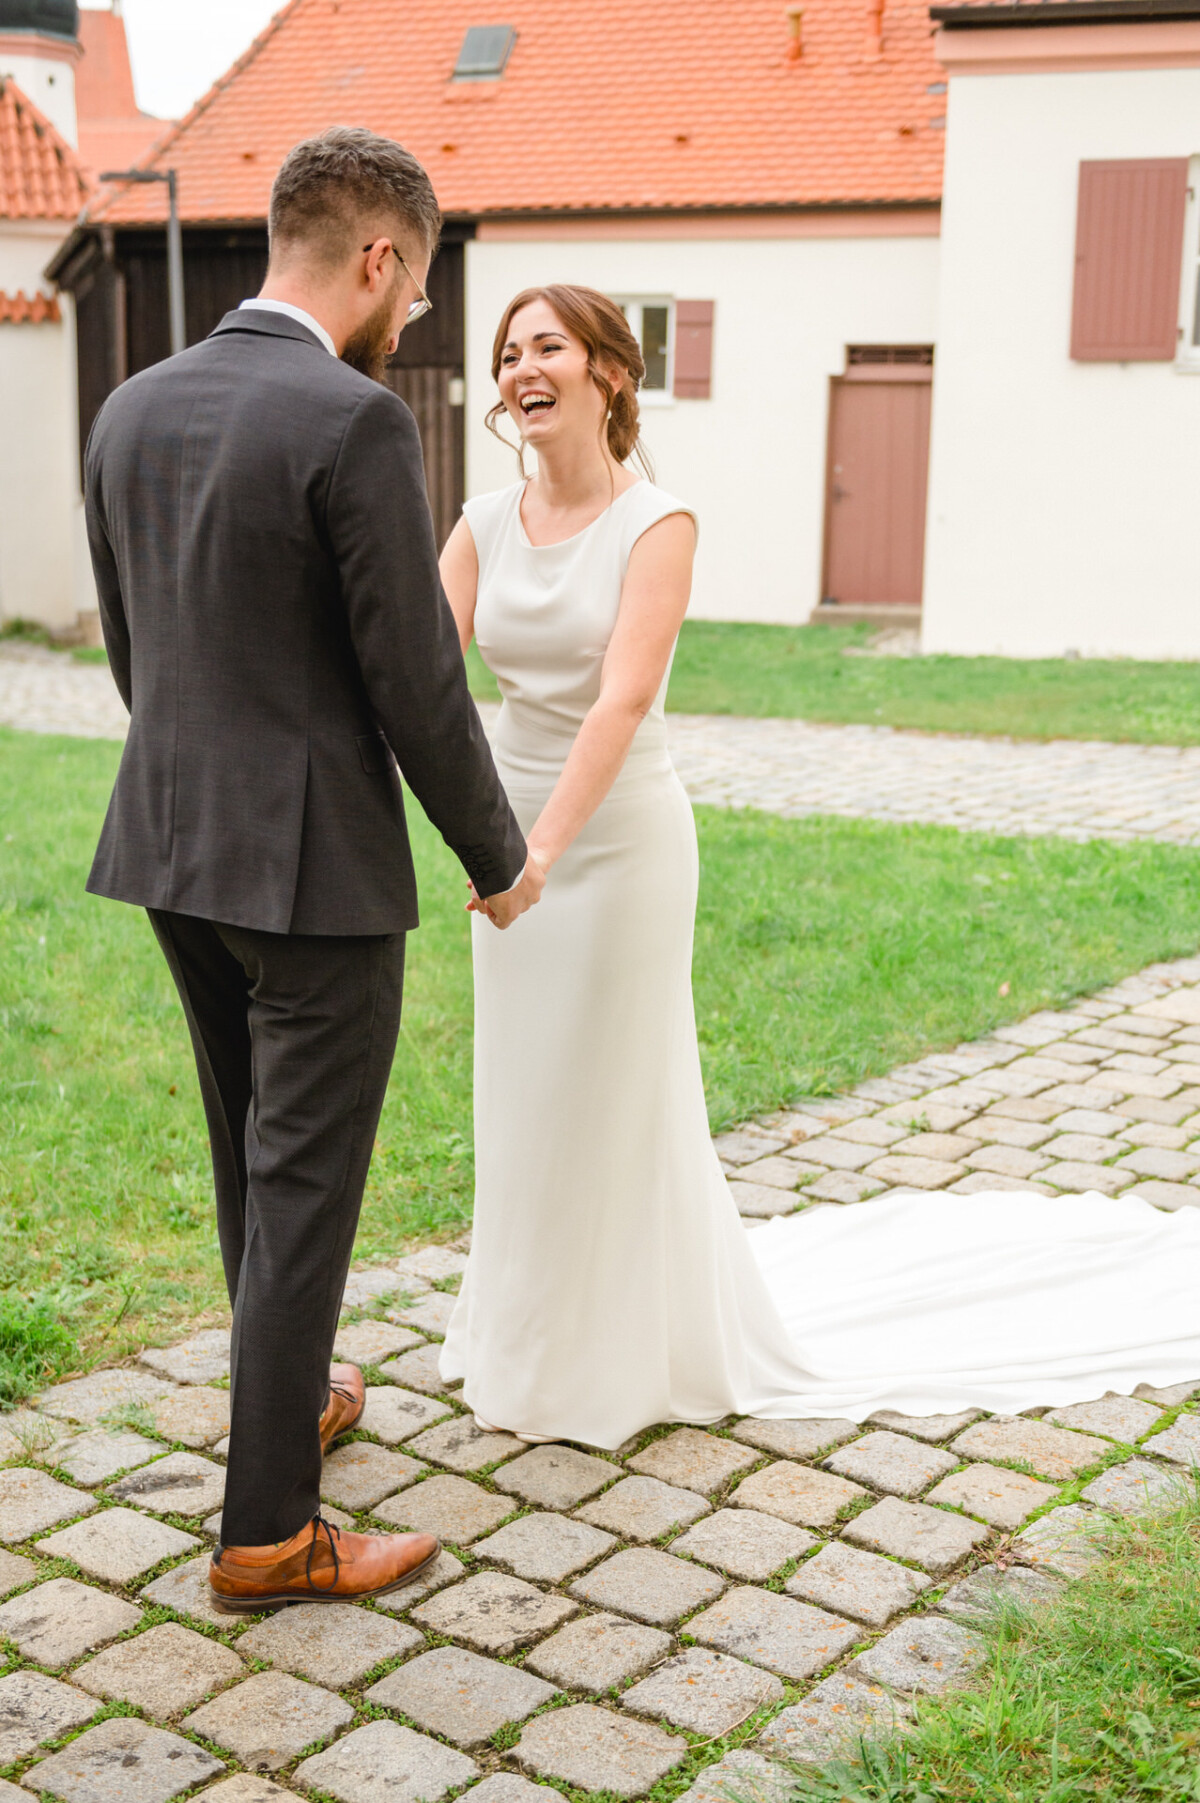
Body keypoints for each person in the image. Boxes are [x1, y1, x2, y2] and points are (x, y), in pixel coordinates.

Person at [439, 282, 1200, 1448]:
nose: (518, 369)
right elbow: (428, 681)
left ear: (609, 372)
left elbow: (623, 698)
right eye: (506, 354)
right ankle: (523, 1335)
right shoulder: (479, 523)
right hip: (506, 849)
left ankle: (619, 1354)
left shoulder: (660, 524)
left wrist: (540, 851)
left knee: (611, 1090)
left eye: (545, 347)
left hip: (619, 844)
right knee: (525, 1090)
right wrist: (484, 844)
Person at [84, 127, 542, 1612]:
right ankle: (270, 1530)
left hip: (169, 842)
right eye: (413, 293)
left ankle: (294, 1395)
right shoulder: (353, 420)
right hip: (317, 878)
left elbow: (139, 656)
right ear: (378, 258)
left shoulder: (130, 406)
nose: (410, 323)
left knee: (249, 1161)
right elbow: (417, 681)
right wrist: (498, 853)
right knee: (305, 1184)